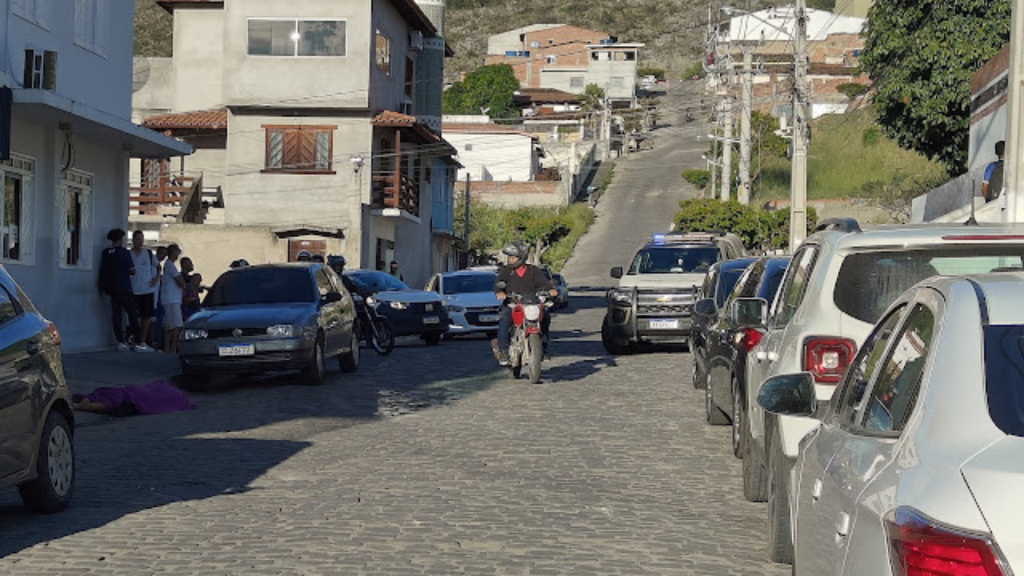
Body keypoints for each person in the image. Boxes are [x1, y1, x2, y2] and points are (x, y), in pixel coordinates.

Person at [493, 243, 558, 366]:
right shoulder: (506, 271)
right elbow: (499, 283)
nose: (510, 260)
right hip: (513, 303)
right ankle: (503, 351)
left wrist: (550, 289)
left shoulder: (533, 270)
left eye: (513, 257)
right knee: (505, 320)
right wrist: (500, 292)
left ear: (521, 257)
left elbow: (544, 282)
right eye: (509, 257)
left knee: (545, 317)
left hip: (531, 303)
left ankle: (542, 349)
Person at [99, 229, 142, 351]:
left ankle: (120, 341)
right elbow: (132, 271)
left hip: (112, 290)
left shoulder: (106, 253)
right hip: (125, 287)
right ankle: (137, 341)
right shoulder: (124, 253)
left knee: (116, 315)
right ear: (120, 239)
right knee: (133, 314)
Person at [128, 231, 158, 352]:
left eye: (142, 239)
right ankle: (134, 339)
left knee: (146, 317)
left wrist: (156, 278)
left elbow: (158, 266)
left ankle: (142, 342)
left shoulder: (149, 254)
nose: (140, 241)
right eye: (138, 239)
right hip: (134, 290)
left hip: (147, 290)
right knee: (134, 317)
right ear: (133, 240)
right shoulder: (129, 254)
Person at [161, 244, 187, 353]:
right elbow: (180, 280)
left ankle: (168, 348)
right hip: (172, 299)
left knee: (169, 325)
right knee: (176, 325)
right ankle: (172, 348)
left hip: (171, 299)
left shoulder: (169, 265)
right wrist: (184, 287)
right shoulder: (170, 265)